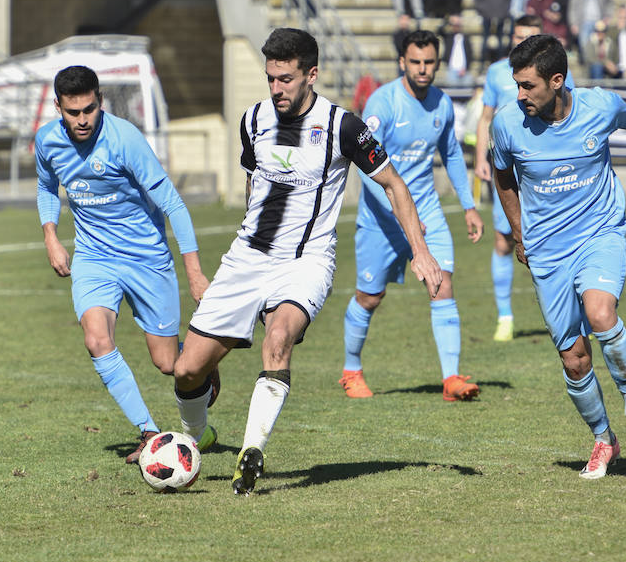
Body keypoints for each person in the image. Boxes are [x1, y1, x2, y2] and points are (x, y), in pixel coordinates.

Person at [171, 28, 444, 495]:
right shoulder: (252, 119)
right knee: (186, 371)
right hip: (247, 258)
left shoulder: (344, 127)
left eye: (286, 79)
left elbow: (396, 186)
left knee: (278, 339)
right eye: (270, 78)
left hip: (307, 261)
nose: (276, 88)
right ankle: (197, 435)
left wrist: (422, 253)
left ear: (311, 74)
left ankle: (250, 453)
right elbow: (252, 185)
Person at [490, 34, 626, 479]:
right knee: (574, 358)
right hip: (546, 249)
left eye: (528, 86)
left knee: (600, 314)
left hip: (600, 231)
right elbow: (503, 175)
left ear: (557, 81)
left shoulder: (598, 106)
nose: (520, 95)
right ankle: (605, 439)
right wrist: (519, 230)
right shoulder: (507, 124)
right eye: (516, 85)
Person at [35, 65, 212, 466]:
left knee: (171, 365)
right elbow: (47, 186)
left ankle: (204, 363)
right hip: (94, 258)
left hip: (147, 259)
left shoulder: (125, 139)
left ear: (100, 101)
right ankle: (150, 433)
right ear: (58, 108)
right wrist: (51, 235)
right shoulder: (46, 141)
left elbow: (173, 204)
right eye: (72, 112)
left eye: (89, 109)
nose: (82, 120)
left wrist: (195, 272)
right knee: (97, 339)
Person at [339, 29, 484, 401]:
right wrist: (397, 212)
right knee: (369, 297)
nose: (422, 69)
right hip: (381, 218)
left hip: (428, 210)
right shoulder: (382, 103)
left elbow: (451, 154)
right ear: (402, 62)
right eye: (415, 62)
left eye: (429, 63)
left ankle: (451, 379)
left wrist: (468, 205)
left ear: (437, 63)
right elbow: (365, 166)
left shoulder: (442, 104)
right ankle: (351, 370)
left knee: (441, 283)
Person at [474, 15, 576, 342]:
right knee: (504, 240)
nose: (523, 41)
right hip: (507, 163)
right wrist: (480, 159)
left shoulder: (551, 73)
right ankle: (505, 316)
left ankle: (571, 313)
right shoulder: (496, 73)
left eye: (529, 36)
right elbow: (485, 117)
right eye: (519, 35)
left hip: (542, 164)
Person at [438, 14, 475, 86]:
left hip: (465, 71)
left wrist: (466, 68)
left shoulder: (466, 38)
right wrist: (448, 20)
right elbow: (439, 31)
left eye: (458, 25)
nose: (456, 27)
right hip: (451, 70)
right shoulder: (448, 37)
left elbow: (470, 54)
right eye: (454, 25)